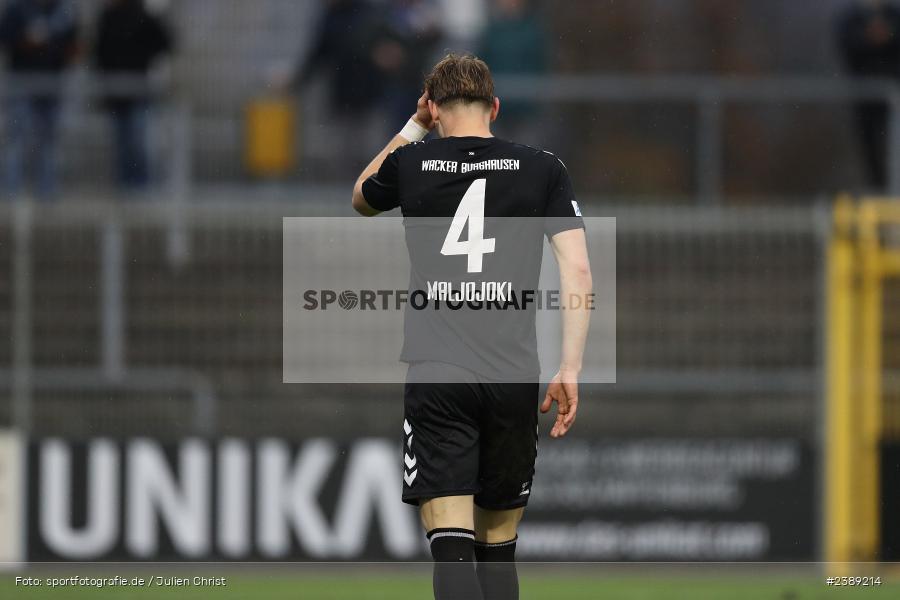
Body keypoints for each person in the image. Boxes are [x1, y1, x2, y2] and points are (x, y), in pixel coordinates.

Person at [352, 54, 592, 600]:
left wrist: (413, 128)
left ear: (434, 109)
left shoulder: (414, 162)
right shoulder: (543, 167)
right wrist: (570, 367)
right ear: (496, 107)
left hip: (440, 373)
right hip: (511, 375)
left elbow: (362, 196)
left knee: (452, 544)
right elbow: (576, 268)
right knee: (499, 547)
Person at [0, 0, 78, 200]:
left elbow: (74, 44)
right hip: (23, 82)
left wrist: (52, 45)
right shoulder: (17, 8)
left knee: (49, 140)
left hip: (52, 84)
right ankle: (12, 189)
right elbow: (6, 38)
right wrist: (26, 41)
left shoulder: (63, 10)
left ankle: (47, 189)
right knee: (17, 138)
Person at [94, 0, 172, 191]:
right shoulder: (108, 17)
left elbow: (165, 42)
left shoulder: (143, 16)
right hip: (116, 94)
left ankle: (141, 187)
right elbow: (99, 51)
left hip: (138, 92)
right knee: (122, 144)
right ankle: (124, 187)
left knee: (138, 141)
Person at [837, 0, 900, 189]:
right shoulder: (850, 19)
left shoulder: (894, 15)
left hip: (894, 101)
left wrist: (886, 35)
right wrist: (872, 37)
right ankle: (880, 195)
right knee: (871, 155)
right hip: (865, 102)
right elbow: (848, 46)